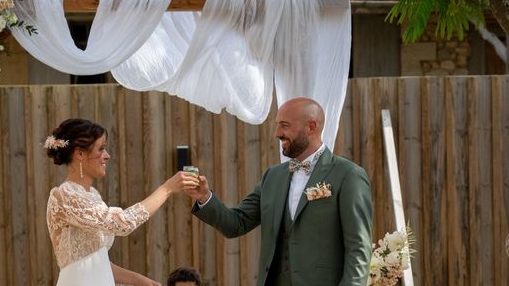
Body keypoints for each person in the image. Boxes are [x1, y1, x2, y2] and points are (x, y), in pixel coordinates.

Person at [187, 97, 373, 286]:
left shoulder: (348, 175)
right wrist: (205, 197)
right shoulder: (272, 177)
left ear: (312, 127)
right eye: (277, 125)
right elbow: (236, 223)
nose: (277, 133)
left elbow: (359, 248)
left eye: (285, 126)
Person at [46, 118, 200, 286]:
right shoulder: (65, 195)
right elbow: (123, 223)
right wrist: (166, 189)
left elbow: (98, 262)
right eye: (101, 149)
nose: (107, 156)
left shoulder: (92, 196)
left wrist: (142, 281)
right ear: (80, 154)